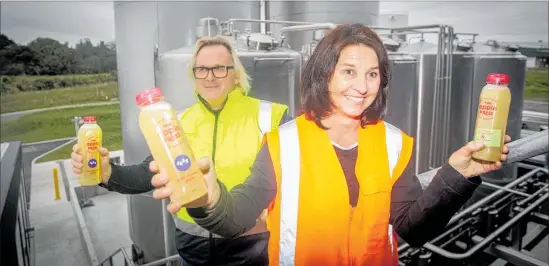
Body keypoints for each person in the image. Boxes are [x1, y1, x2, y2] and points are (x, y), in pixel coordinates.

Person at [149, 24, 512, 266]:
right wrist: (209, 202)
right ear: (325, 74)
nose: (362, 86)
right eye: (349, 71)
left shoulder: (393, 143)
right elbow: (238, 216)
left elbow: (411, 229)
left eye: (372, 74)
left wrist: (455, 178)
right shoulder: (283, 143)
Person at [71, 35, 292, 266]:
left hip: (251, 248)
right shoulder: (177, 121)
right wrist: (108, 173)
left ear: (236, 75)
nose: (209, 77)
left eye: (219, 69)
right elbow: (149, 174)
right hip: (192, 250)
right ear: (193, 76)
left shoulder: (270, 117)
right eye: (201, 70)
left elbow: (269, 187)